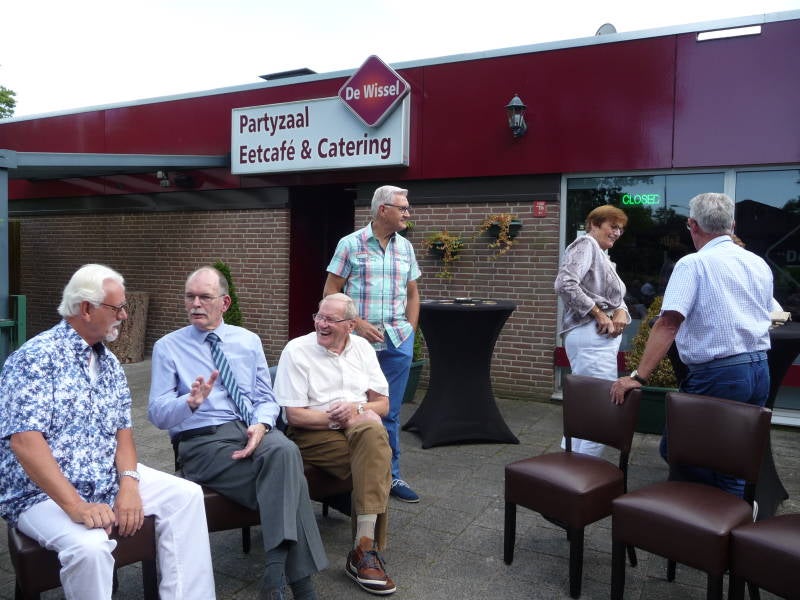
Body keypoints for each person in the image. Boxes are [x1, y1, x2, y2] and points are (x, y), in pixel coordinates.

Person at [0, 264, 215, 600]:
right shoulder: (34, 359)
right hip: (40, 493)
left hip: (103, 475)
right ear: (86, 309)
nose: (125, 316)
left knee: (185, 496)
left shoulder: (109, 363)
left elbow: (123, 434)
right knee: (91, 548)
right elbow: (25, 442)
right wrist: (76, 506)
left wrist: (129, 483)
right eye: (118, 308)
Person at [148, 266, 327, 600]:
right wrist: (188, 403)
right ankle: (296, 585)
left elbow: (266, 399)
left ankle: (275, 578)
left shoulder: (248, 341)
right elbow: (157, 413)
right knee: (291, 477)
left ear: (225, 302)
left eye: (205, 297)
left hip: (251, 429)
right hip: (203, 440)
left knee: (284, 450)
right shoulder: (168, 347)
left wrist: (261, 424)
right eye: (190, 297)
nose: (195, 304)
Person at [611, 193, 773, 497]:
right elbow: (767, 313)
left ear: (692, 225)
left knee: (685, 452)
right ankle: (733, 514)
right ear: (732, 225)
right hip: (759, 369)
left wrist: (638, 377)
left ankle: (712, 516)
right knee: (733, 456)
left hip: (719, 375)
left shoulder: (693, 264)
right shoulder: (758, 263)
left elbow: (668, 324)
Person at [274, 293, 396, 595]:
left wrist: (356, 410)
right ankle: (364, 553)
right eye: (319, 316)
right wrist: (338, 420)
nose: (321, 324)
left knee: (373, 435)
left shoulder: (363, 349)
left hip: (358, 427)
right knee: (377, 458)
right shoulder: (297, 350)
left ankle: (362, 548)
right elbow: (294, 415)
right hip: (313, 430)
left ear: (350, 325)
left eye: (330, 319)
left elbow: (383, 404)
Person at [324, 185, 421, 503]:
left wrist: (410, 331)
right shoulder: (350, 244)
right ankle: (349, 474)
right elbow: (330, 292)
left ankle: (390, 476)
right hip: (357, 345)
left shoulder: (406, 248)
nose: (408, 213)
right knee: (351, 407)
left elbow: (413, 294)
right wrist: (357, 323)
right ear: (383, 210)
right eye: (402, 208)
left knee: (389, 411)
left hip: (397, 343)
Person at [555, 205, 630, 456]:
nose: (617, 232)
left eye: (620, 229)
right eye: (613, 226)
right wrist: (598, 313)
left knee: (586, 405)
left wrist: (621, 312)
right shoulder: (586, 245)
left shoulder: (601, 254)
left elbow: (615, 300)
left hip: (596, 338)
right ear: (594, 225)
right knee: (600, 409)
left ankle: (570, 466)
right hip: (591, 335)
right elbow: (565, 284)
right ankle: (583, 471)